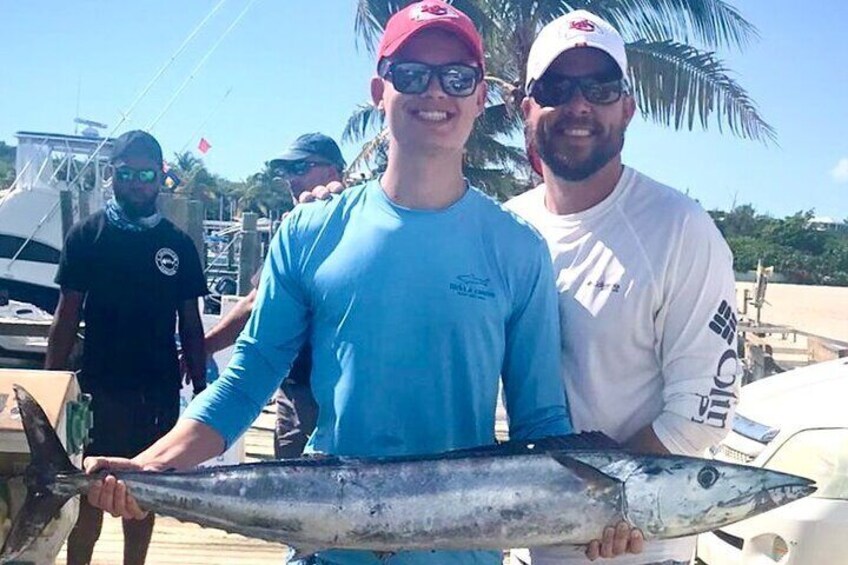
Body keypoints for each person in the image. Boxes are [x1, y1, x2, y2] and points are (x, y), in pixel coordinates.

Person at [81, 3, 643, 564]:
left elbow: (541, 423)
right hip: (327, 545)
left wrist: (607, 511)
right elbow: (246, 383)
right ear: (380, 90)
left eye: (456, 77)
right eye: (410, 74)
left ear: (479, 97)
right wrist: (153, 467)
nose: (434, 93)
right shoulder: (310, 229)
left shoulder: (519, 250)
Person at [508, 10, 741, 565]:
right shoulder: (504, 228)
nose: (579, 104)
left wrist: (602, 500)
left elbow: (703, 413)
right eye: (557, 87)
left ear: (628, 108)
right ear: (527, 108)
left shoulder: (679, 227)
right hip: (521, 550)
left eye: (601, 86)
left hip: (641, 552)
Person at [45, 130, 208, 565]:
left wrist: (202, 387)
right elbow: (66, 318)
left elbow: (190, 324)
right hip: (99, 388)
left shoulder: (178, 244)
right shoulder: (87, 236)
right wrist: (51, 386)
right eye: (127, 173)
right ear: (112, 175)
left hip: (157, 392)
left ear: (161, 177)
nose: (138, 183)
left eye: (147, 174)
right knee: (90, 496)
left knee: (142, 497)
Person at [203, 132, 346, 458]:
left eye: (301, 167)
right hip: (296, 385)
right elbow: (257, 299)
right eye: (287, 172)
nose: (290, 180)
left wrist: (207, 346)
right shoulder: (296, 229)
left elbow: (256, 304)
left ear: (335, 172)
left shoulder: (353, 224)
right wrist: (206, 346)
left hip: (335, 391)